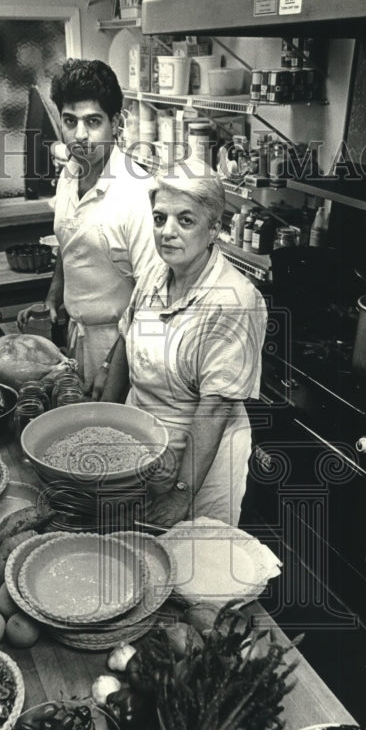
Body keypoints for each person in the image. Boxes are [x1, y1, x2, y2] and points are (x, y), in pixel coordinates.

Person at [100, 166, 267, 528]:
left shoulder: (234, 301)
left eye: (185, 220)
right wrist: (103, 425)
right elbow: (126, 347)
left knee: (193, 567)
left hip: (199, 467)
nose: (167, 232)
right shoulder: (153, 275)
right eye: (160, 219)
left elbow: (214, 409)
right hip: (141, 450)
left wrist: (180, 493)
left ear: (213, 230)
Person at [17, 58, 158, 395]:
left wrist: (111, 366)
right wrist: (53, 297)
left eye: (93, 121)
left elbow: (152, 298)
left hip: (122, 344)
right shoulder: (69, 176)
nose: (79, 135)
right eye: (70, 121)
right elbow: (70, 243)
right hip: (76, 336)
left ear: (116, 123)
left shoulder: (138, 193)